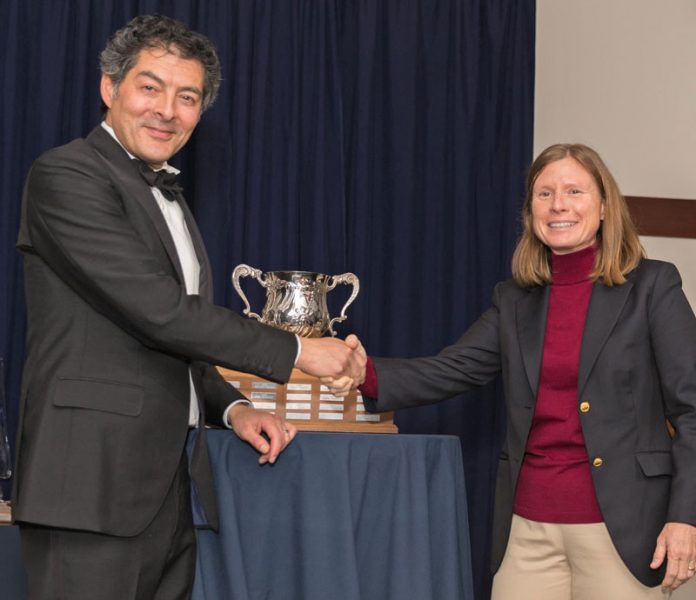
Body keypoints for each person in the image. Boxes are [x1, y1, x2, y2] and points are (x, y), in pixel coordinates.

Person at [14, 14, 364, 600]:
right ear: (109, 87)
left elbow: (168, 339)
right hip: (88, 486)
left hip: (167, 489)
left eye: (187, 97)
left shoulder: (168, 195)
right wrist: (303, 350)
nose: (167, 110)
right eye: (149, 87)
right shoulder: (66, 174)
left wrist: (231, 410)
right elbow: (158, 312)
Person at [328, 144, 696, 599]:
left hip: (623, 529)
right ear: (530, 212)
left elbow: (692, 411)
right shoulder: (515, 299)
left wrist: (685, 516)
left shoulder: (653, 286)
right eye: (544, 194)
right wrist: (365, 372)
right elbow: (452, 368)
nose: (558, 204)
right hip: (527, 530)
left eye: (574, 191)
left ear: (604, 206)